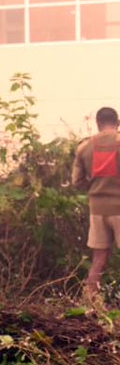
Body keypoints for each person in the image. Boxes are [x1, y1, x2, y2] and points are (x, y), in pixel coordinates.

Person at [73, 107, 120, 298]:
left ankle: (90, 303)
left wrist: (96, 188)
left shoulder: (84, 147)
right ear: (117, 123)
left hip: (97, 211)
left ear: (98, 123)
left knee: (99, 258)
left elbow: (77, 182)